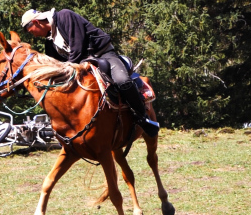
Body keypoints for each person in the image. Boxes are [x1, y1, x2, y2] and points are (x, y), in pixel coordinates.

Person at [21, 8, 159, 136]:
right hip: (78, 65)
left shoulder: (64, 16)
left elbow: (77, 46)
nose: (34, 34)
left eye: (31, 30)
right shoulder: (49, 43)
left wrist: (68, 68)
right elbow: (55, 66)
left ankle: (142, 117)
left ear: (36, 22)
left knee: (122, 81)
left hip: (103, 54)